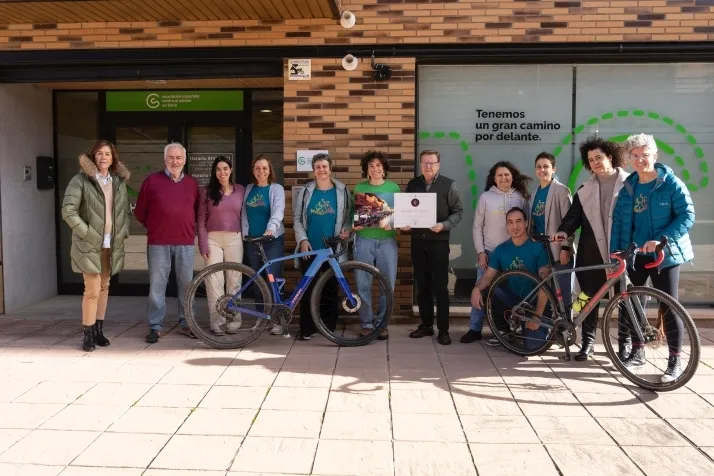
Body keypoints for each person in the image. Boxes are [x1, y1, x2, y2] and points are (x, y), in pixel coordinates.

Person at [611, 133, 695, 382]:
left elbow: (686, 215)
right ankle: (637, 352)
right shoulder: (628, 188)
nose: (639, 160)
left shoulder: (671, 183)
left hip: (663, 255)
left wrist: (661, 239)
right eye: (634, 155)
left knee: (669, 307)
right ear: (629, 158)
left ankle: (674, 362)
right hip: (635, 254)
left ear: (655, 156)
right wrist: (616, 252)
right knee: (633, 304)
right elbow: (618, 222)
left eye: (644, 155)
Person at [555, 136, 629, 361]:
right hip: (591, 253)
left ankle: (624, 344)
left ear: (610, 157)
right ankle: (587, 343)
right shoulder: (584, 189)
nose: (595, 163)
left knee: (625, 298)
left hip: (621, 251)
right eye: (591, 160)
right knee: (588, 297)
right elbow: (573, 217)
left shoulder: (630, 183)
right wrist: (564, 232)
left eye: (599, 157)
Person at [61, 140, 131, 352]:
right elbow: (68, 210)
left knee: (104, 287)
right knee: (92, 288)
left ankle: (99, 330)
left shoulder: (118, 182)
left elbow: (125, 212)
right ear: (92, 156)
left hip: (111, 243)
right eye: (99, 153)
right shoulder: (80, 180)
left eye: (107, 154)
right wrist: (88, 234)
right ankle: (88, 333)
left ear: (113, 158)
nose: (103, 157)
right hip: (89, 244)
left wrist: (123, 231)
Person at [134, 142, 200, 344]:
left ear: (184, 160)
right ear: (165, 159)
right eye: (171, 157)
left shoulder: (192, 184)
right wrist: (156, 226)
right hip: (158, 243)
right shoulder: (151, 181)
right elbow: (140, 212)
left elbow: (197, 211)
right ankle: (155, 326)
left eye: (179, 158)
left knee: (187, 286)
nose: (175, 161)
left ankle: (187, 323)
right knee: (157, 287)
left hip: (185, 242)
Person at [462, 161, 530, 344]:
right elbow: (477, 226)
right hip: (490, 253)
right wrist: (480, 251)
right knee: (481, 289)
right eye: (499, 175)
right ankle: (474, 328)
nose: (503, 178)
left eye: (507, 174)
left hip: (514, 254)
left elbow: (527, 225)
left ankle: (506, 330)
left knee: (509, 294)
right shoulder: (485, 198)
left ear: (512, 176)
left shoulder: (521, 198)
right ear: (494, 178)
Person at [405, 150, 464, 345]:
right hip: (418, 241)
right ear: (420, 165)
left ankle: (444, 330)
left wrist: (444, 225)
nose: (428, 166)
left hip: (439, 242)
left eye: (431, 163)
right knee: (422, 286)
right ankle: (426, 325)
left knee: (440, 286)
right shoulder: (413, 184)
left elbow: (458, 212)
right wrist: (406, 222)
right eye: (424, 163)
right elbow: (408, 210)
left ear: (438, 164)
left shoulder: (449, 185)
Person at [471, 207, 551, 347]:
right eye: (511, 222)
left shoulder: (537, 248)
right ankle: (503, 330)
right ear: (507, 225)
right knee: (491, 289)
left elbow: (544, 285)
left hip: (533, 304)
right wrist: (476, 288)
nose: (515, 226)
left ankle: (526, 327)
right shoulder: (501, 250)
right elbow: (488, 276)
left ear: (526, 223)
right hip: (513, 300)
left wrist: (537, 315)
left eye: (519, 221)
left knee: (534, 346)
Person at [293, 153, 351, 341]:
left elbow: (348, 219)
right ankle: (307, 328)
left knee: (330, 289)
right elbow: (297, 219)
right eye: (317, 167)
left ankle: (328, 327)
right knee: (307, 288)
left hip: (332, 249)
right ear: (313, 170)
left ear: (330, 168)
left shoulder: (342, 191)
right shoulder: (306, 192)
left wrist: (347, 231)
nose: (321, 170)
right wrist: (303, 240)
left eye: (324, 166)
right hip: (310, 249)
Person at [352, 150, 400, 341]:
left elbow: (400, 214)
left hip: (388, 242)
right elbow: (353, 214)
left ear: (384, 168)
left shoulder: (394, 188)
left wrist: (399, 223)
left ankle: (382, 324)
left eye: (378, 165)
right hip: (364, 240)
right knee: (362, 284)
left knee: (387, 285)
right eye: (371, 165)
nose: (375, 169)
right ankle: (366, 324)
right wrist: (353, 225)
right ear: (366, 169)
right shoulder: (359, 187)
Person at [198, 156, 245, 336]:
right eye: (218, 169)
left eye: (225, 168)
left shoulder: (240, 190)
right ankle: (217, 322)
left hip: (235, 238)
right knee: (214, 281)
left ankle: (233, 320)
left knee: (235, 280)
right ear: (214, 172)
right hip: (213, 239)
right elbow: (201, 219)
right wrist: (203, 243)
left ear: (230, 169)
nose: (222, 172)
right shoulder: (207, 191)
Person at [242, 155, 286, 336]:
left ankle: (277, 319)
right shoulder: (248, 189)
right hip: (253, 241)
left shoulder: (276, 189)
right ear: (253, 170)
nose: (261, 171)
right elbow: (243, 213)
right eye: (257, 168)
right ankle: (261, 318)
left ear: (270, 170)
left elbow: (278, 211)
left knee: (272, 279)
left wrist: (271, 228)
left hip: (271, 240)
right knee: (257, 280)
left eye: (265, 168)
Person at [528, 152, 575, 313]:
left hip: (558, 250)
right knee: (545, 294)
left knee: (563, 295)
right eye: (538, 167)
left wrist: (566, 247)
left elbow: (569, 222)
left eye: (546, 166)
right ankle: (548, 325)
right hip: (541, 251)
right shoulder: (534, 194)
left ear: (553, 169)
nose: (542, 170)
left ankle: (566, 325)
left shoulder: (561, 190)